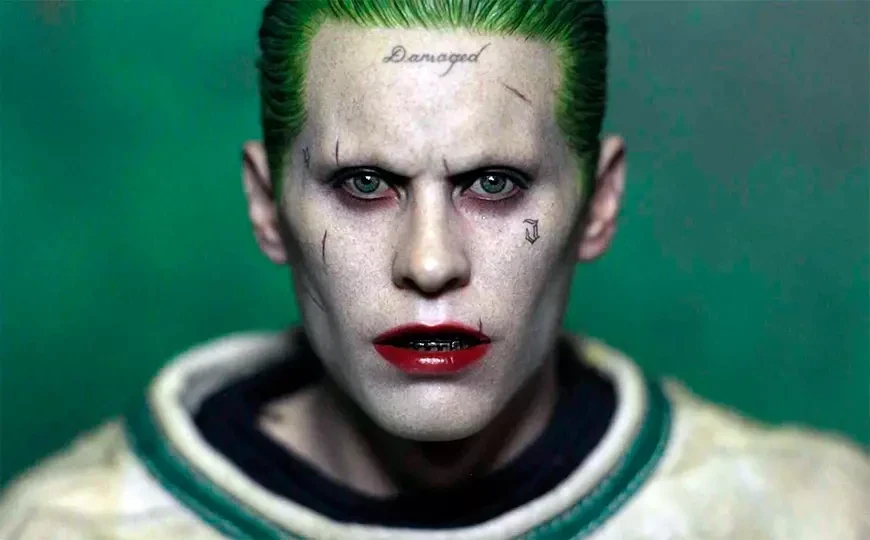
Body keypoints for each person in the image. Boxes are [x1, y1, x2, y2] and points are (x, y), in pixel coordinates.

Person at [1, 1, 867, 538]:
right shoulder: (61, 530)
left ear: (599, 202)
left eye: (494, 184)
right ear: (267, 206)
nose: (429, 262)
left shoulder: (815, 517)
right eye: (363, 183)